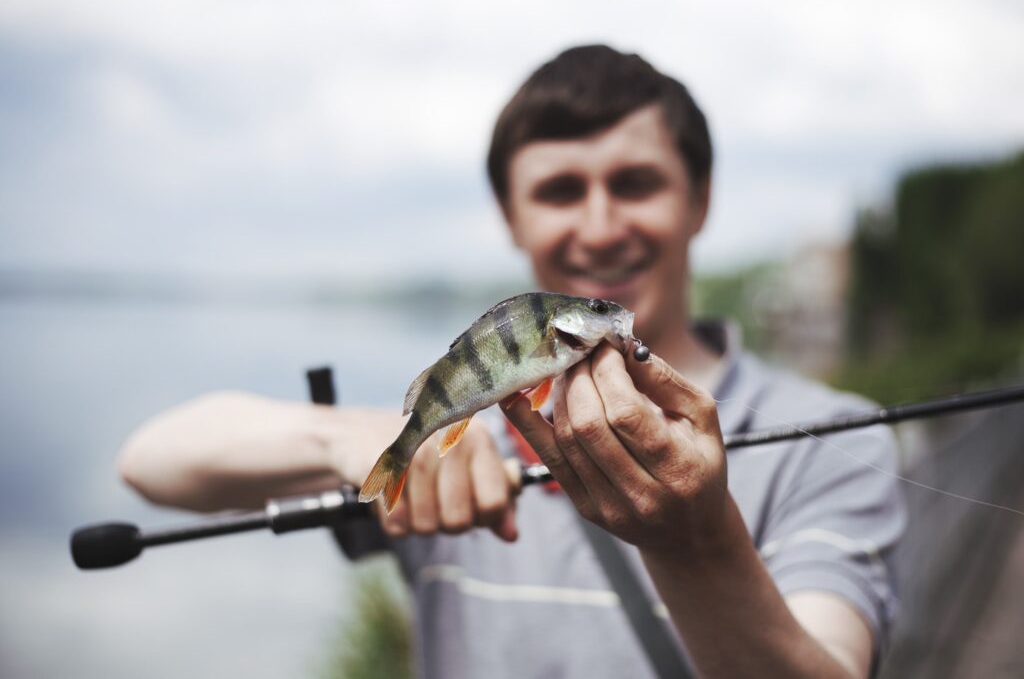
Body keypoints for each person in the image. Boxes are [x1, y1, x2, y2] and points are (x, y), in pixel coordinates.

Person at [118, 45, 904, 678]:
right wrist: (357, 438)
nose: (599, 228)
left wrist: (695, 542)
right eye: (560, 190)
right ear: (509, 214)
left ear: (698, 200)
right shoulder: (455, 444)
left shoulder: (837, 436)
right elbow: (152, 464)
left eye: (635, 183)